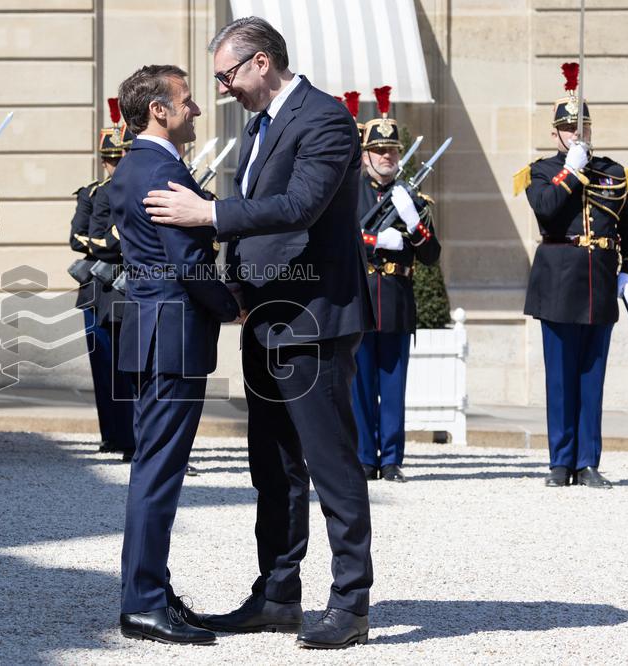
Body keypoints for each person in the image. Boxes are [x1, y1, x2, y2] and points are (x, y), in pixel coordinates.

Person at [142, 17, 374, 649]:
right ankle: (277, 593)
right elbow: (259, 228)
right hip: (267, 316)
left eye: (226, 76)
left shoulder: (324, 119)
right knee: (272, 464)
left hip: (314, 318)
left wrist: (206, 213)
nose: (222, 91)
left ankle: (351, 601)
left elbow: (299, 207)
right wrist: (236, 289)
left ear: (261, 63)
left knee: (330, 462)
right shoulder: (258, 125)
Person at [112, 65, 240, 645]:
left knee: (155, 467)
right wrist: (230, 306)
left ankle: (153, 591)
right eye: (186, 101)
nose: (194, 110)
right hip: (172, 332)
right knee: (158, 473)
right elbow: (188, 263)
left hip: (154, 329)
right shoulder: (160, 167)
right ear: (158, 110)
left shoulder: (139, 163)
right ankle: (142, 601)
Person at [514, 62, 628, 489]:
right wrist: (572, 168)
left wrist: (627, 272)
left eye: (583, 127)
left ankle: (587, 461)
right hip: (558, 284)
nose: (577, 134)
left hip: (600, 285)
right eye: (569, 129)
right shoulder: (543, 171)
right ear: (556, 134)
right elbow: (547, 208)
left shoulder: (613, 173)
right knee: (561, 379)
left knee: (591, 378)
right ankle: (560, 461)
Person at [354, 86, 441, 483]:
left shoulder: (412, 198)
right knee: (359, 385)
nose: (387, 158)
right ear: (366, 155)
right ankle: (362, 455)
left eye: (392, 151)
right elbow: (339, 238)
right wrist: (375, 240)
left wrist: (413, 223)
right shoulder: (349, 192)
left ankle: (391, 458)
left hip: (396, 298)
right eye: (380, 151)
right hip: (360, 299)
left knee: (393, 385)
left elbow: (431, 254)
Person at [68, 101, 136, 460]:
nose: (115, 165)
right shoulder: (94, 193)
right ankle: (113, 433)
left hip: (130, 287)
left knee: (129, 370)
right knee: (104, 369)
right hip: (100, 288)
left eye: (121, 157)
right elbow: (80, 238)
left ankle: (130, 437)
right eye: (110, 159)